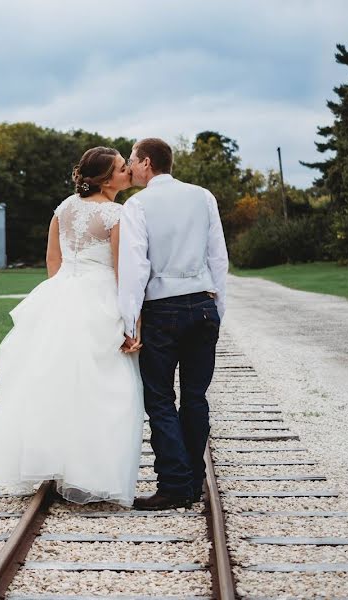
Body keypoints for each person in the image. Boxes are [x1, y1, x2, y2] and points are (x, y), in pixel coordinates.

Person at [0, 147, 145, 506]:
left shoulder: (63, 208)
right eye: (122, 168)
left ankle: (54, 459)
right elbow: (124, 273)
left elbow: (53, 259)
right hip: (100, 296)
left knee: (50, 380)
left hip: (60, 293)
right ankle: (90, 471)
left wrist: (62, 296)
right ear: (106, 180)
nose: (128, 172)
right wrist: (132, 322)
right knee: (104, 386)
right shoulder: (117, 215)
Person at [118, 137, 229, 510]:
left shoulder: (138, 205)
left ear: (147, 162)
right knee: (195, 398)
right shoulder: (203, 196)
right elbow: (218, 258)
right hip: (202, 306)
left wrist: (129, 320)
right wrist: (218, 308)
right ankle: (192, 479)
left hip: (162, 310)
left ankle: (175, 484)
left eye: (132, 161)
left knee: (160, 399)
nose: (129, 168)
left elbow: (136, 266)